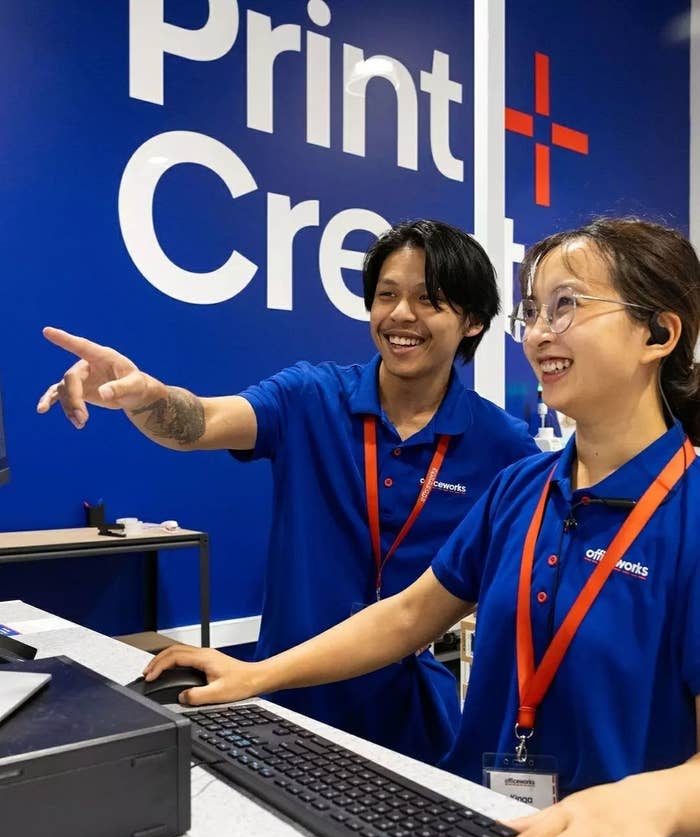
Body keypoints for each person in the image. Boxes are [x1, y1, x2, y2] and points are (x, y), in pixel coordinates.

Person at [144, 217, 700, 837]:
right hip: (472, 833)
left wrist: (651, 801)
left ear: (658, 334)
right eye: (533, 311)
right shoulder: (519, 488)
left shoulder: (685, 512)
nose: (539, 333)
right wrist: (256, 673)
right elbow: (409, 615)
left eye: (567, 306)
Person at [37, 219, 538, 766]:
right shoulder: (310, 395)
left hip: (411, 719)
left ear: (473, 322)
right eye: (387, 295)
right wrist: (145, 399)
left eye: (428, 300)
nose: (400, 315)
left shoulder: (504, 445)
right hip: (281, 699)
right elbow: (199, 421)